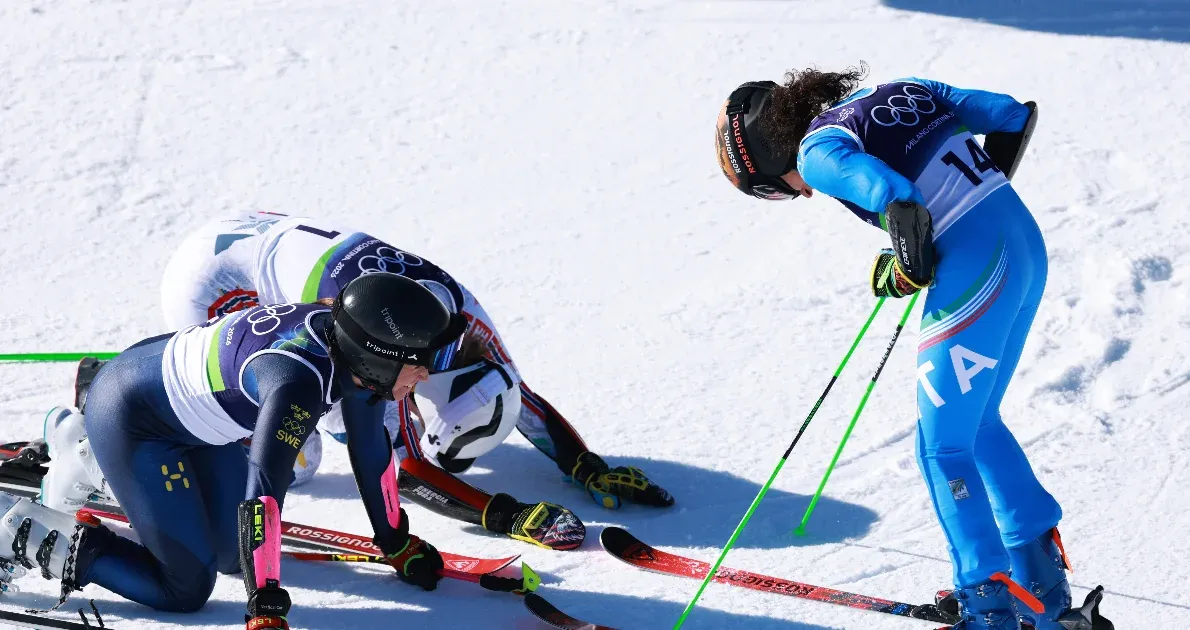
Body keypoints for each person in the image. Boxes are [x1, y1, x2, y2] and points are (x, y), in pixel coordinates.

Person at [714, 69, 1110, 630]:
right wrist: (918, 249)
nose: (797, 194)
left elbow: (897, 199)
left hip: (982, 273)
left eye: (776, 189)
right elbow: (1010, 115)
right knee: (977, 424)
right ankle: (1042, 588)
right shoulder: (901, 89)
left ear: (769, 153)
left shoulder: (818, 151)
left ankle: (987, 607)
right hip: (1024, 247)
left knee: (941, 447)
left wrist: (910, 257)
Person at [48, 211, 673, 552]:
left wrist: (584, 464)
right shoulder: (393, 346)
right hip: (214, 284)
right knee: (299, 456)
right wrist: (505, 515)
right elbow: (394, 467)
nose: (415, 395)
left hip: (253, 241)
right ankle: (108, 413)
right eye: (424, 413)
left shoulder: (464, 330)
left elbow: (522, 400)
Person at [1, 274, 450, 627]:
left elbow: (371, 453)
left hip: (179, 414)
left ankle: (98, 461)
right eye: (415, 361)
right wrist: (265, 603)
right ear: (376, 356)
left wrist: (395, 542)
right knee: (185, 589)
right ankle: (22, 528)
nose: (425, 374)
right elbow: (266, 490)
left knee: (233, 554)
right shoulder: (297, 383)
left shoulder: (353, 355)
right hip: (133, 420)